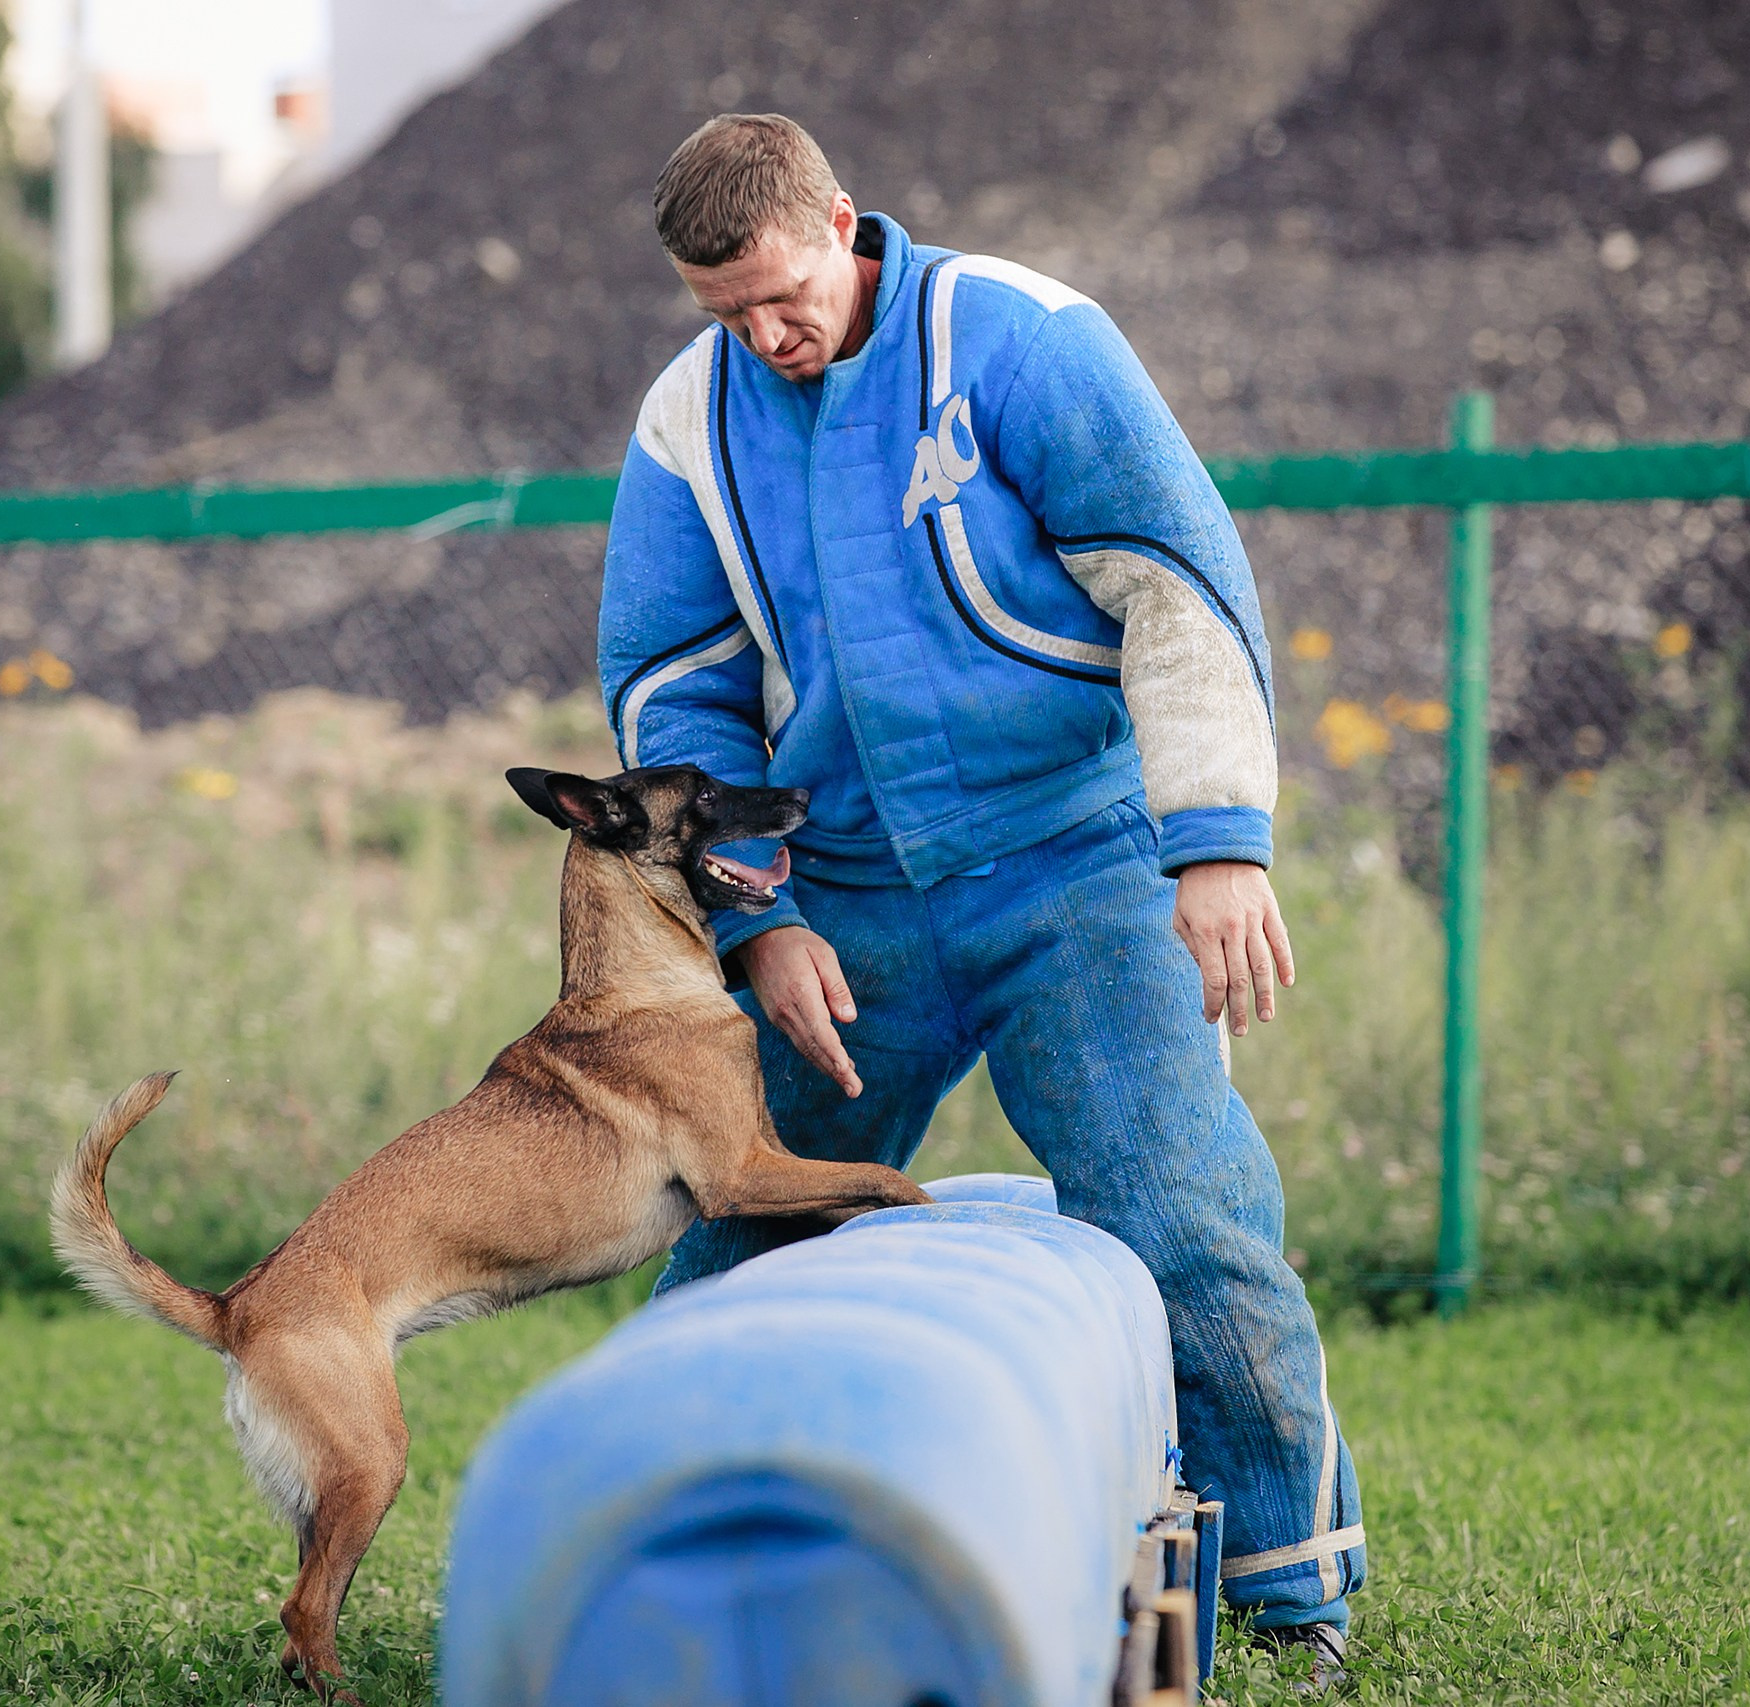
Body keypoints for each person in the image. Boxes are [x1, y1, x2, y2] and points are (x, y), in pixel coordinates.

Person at [597, 112, 1364, 1682]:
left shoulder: (1018, 333)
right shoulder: (688, 419)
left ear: (841, 221)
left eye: (780, 294)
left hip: (1078, 863)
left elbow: (1176, 577)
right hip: (849, 902)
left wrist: (1214, 844)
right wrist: (760, 918)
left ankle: (1291, 1597)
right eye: (722, 310)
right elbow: (678, 698)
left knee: (1181, 1218)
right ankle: (645, 1570)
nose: (764, 334)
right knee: (737, 1225)